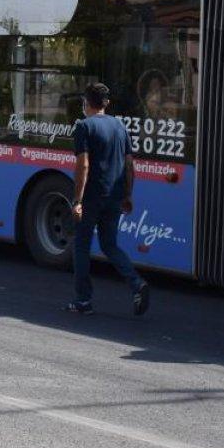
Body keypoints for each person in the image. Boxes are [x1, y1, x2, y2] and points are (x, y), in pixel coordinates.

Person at [67, 82, 150, 316]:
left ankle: (83, 301)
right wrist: (128, 195)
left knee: (81, 246)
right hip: (114, 197)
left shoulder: (84, 126)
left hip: (92, 197)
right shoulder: (120, 126)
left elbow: (83, 165)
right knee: (110, 245)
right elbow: (130, 166)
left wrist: (78, 200)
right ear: (106, 103)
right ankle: (136, 283)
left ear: (86, 102)